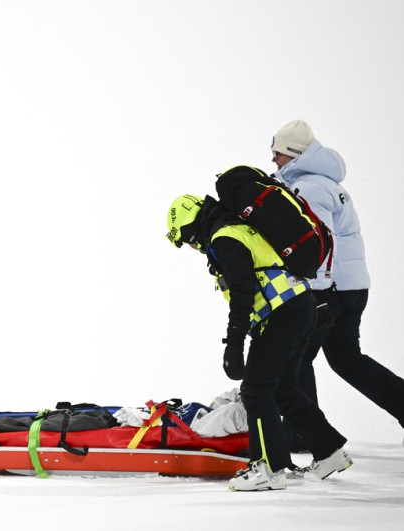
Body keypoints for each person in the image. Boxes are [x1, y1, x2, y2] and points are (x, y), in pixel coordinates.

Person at [166, 188, 352, 491]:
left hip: (284, 315)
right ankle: (330, 453)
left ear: (191, 226)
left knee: (255, 390)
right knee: (283, 389)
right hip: (300, 307)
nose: (191, 246)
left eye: (187, 239)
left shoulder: (224, 238)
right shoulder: (239, 228)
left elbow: (243, 292)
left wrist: (234, 344)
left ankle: (268, 468)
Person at [270, 120, 404, 449]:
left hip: (332, 288)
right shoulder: (325, 184)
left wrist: (316, 291)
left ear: (292, 153)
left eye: (277, 153)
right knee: (347, 359)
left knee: (297, 358)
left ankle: (303, 432)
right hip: (352, 286)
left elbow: (318, 241)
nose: (273, 159)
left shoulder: (311, 189)